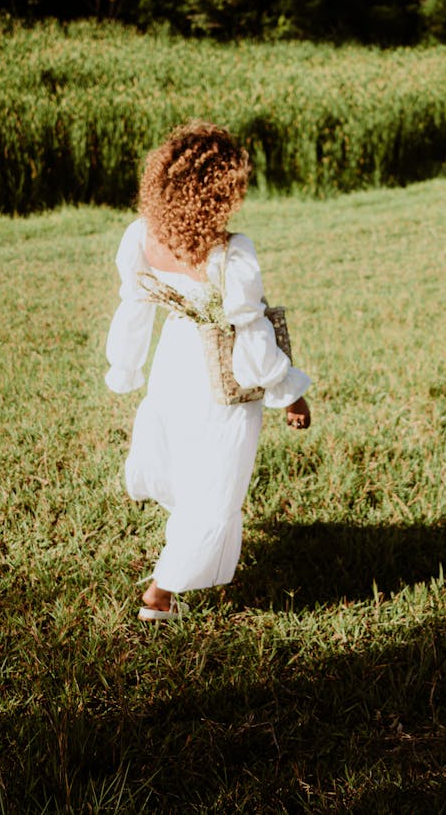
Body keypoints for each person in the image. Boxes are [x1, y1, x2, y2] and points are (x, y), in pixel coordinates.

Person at [105, 120, 311, 621]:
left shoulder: (142, 237)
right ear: (217, 194)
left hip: (173, 365)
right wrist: (288, 391)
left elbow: (134, 306)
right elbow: (252, 331)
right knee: (215, 482)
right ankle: (161, 592)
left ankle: (175, 563)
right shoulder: (230, 253)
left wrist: (125, 367)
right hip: (222, 379)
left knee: (189, 463)